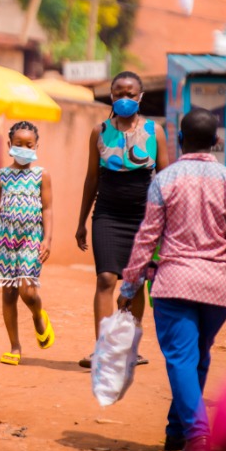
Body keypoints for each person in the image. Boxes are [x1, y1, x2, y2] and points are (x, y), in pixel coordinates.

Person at [119, 109, 226, 451]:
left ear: (180, 140)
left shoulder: (164, 180)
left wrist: (129, 285)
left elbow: (147, 237)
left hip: (174, 284)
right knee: (197, 357)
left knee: (183, 360)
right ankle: (176, 433)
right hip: (215, 288)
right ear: (216, 141)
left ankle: (198, 435)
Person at [76, 71, 169, 369]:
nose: (124, 99)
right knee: (105, 278)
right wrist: (81, 221)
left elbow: (166, 179)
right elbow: (91, 177)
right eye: (118, 93)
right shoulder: (99, 131)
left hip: (144, 217)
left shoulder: (156, 132)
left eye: (130, 93)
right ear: (111, 96)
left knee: (135, 283)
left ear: (140, 97)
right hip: (107, 214)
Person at [0, 121, 54, 366]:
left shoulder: (41, 175)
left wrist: (47, 239)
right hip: (4, 239)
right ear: (10, 145)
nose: (24, 148)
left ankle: (37, 314)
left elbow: (48, 208)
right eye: (19, 144)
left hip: (31, 239)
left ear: (36, 146)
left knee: (28, 291)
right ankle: (14, 346)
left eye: (29, 144)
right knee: (9, 294)